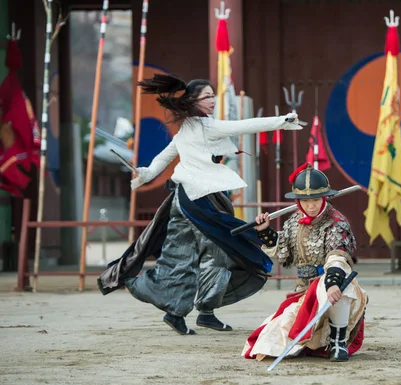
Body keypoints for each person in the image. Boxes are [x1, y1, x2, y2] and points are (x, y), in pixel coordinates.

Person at [97, 73, 302, 335]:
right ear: (193, 101)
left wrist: (144, 173)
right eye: (207, 97)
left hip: (186, 200)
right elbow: (245, 125)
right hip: (200, 203)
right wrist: (283, 121)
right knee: (219, 252)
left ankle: (183, 311)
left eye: (213, 96)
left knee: (181, 255)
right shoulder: (206, 127)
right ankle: (202, 310)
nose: (213, 101)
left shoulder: (185, 131)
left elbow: (159, 162)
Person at [242, 163, 368, 362]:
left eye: (316, 199)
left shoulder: (337, 222)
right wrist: (265, 231)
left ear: (324, 197)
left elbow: (338, 257)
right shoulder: (293, 222)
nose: (311, 205)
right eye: (305, 200)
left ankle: (338, 342)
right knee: (271, 339)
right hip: (303, 291)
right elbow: (282, 250)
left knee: (342, 290)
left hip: (330, 282)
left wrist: (333, 282)